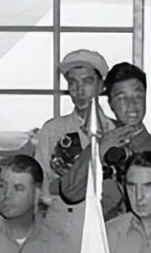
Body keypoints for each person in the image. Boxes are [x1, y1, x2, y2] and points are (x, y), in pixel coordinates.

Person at [59, 62, 151, 219]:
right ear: (111, 104)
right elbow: (70, 193)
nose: (132, 105)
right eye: (122, 98)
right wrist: (98, 152)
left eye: (138, 96)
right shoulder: (99, 145)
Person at [34, 49, 115, 194]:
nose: (79, 90)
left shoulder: (115, 131)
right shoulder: (52, 130)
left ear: (101, 85)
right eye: (73, 82)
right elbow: (40, 181)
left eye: (87, 81)